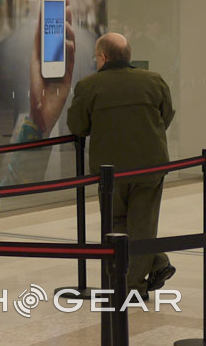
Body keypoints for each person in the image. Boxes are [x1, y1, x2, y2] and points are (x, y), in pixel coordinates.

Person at [67, 32, 176, 297]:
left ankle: (133, 287)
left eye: (96, 57)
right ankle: (155, 263)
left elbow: (77, 126)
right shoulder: (154, 80)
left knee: (116, 224)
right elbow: (166, 116)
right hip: (150, 166)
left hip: (110, 171)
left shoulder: (89, 86)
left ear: (103, 57)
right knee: (143, 224)